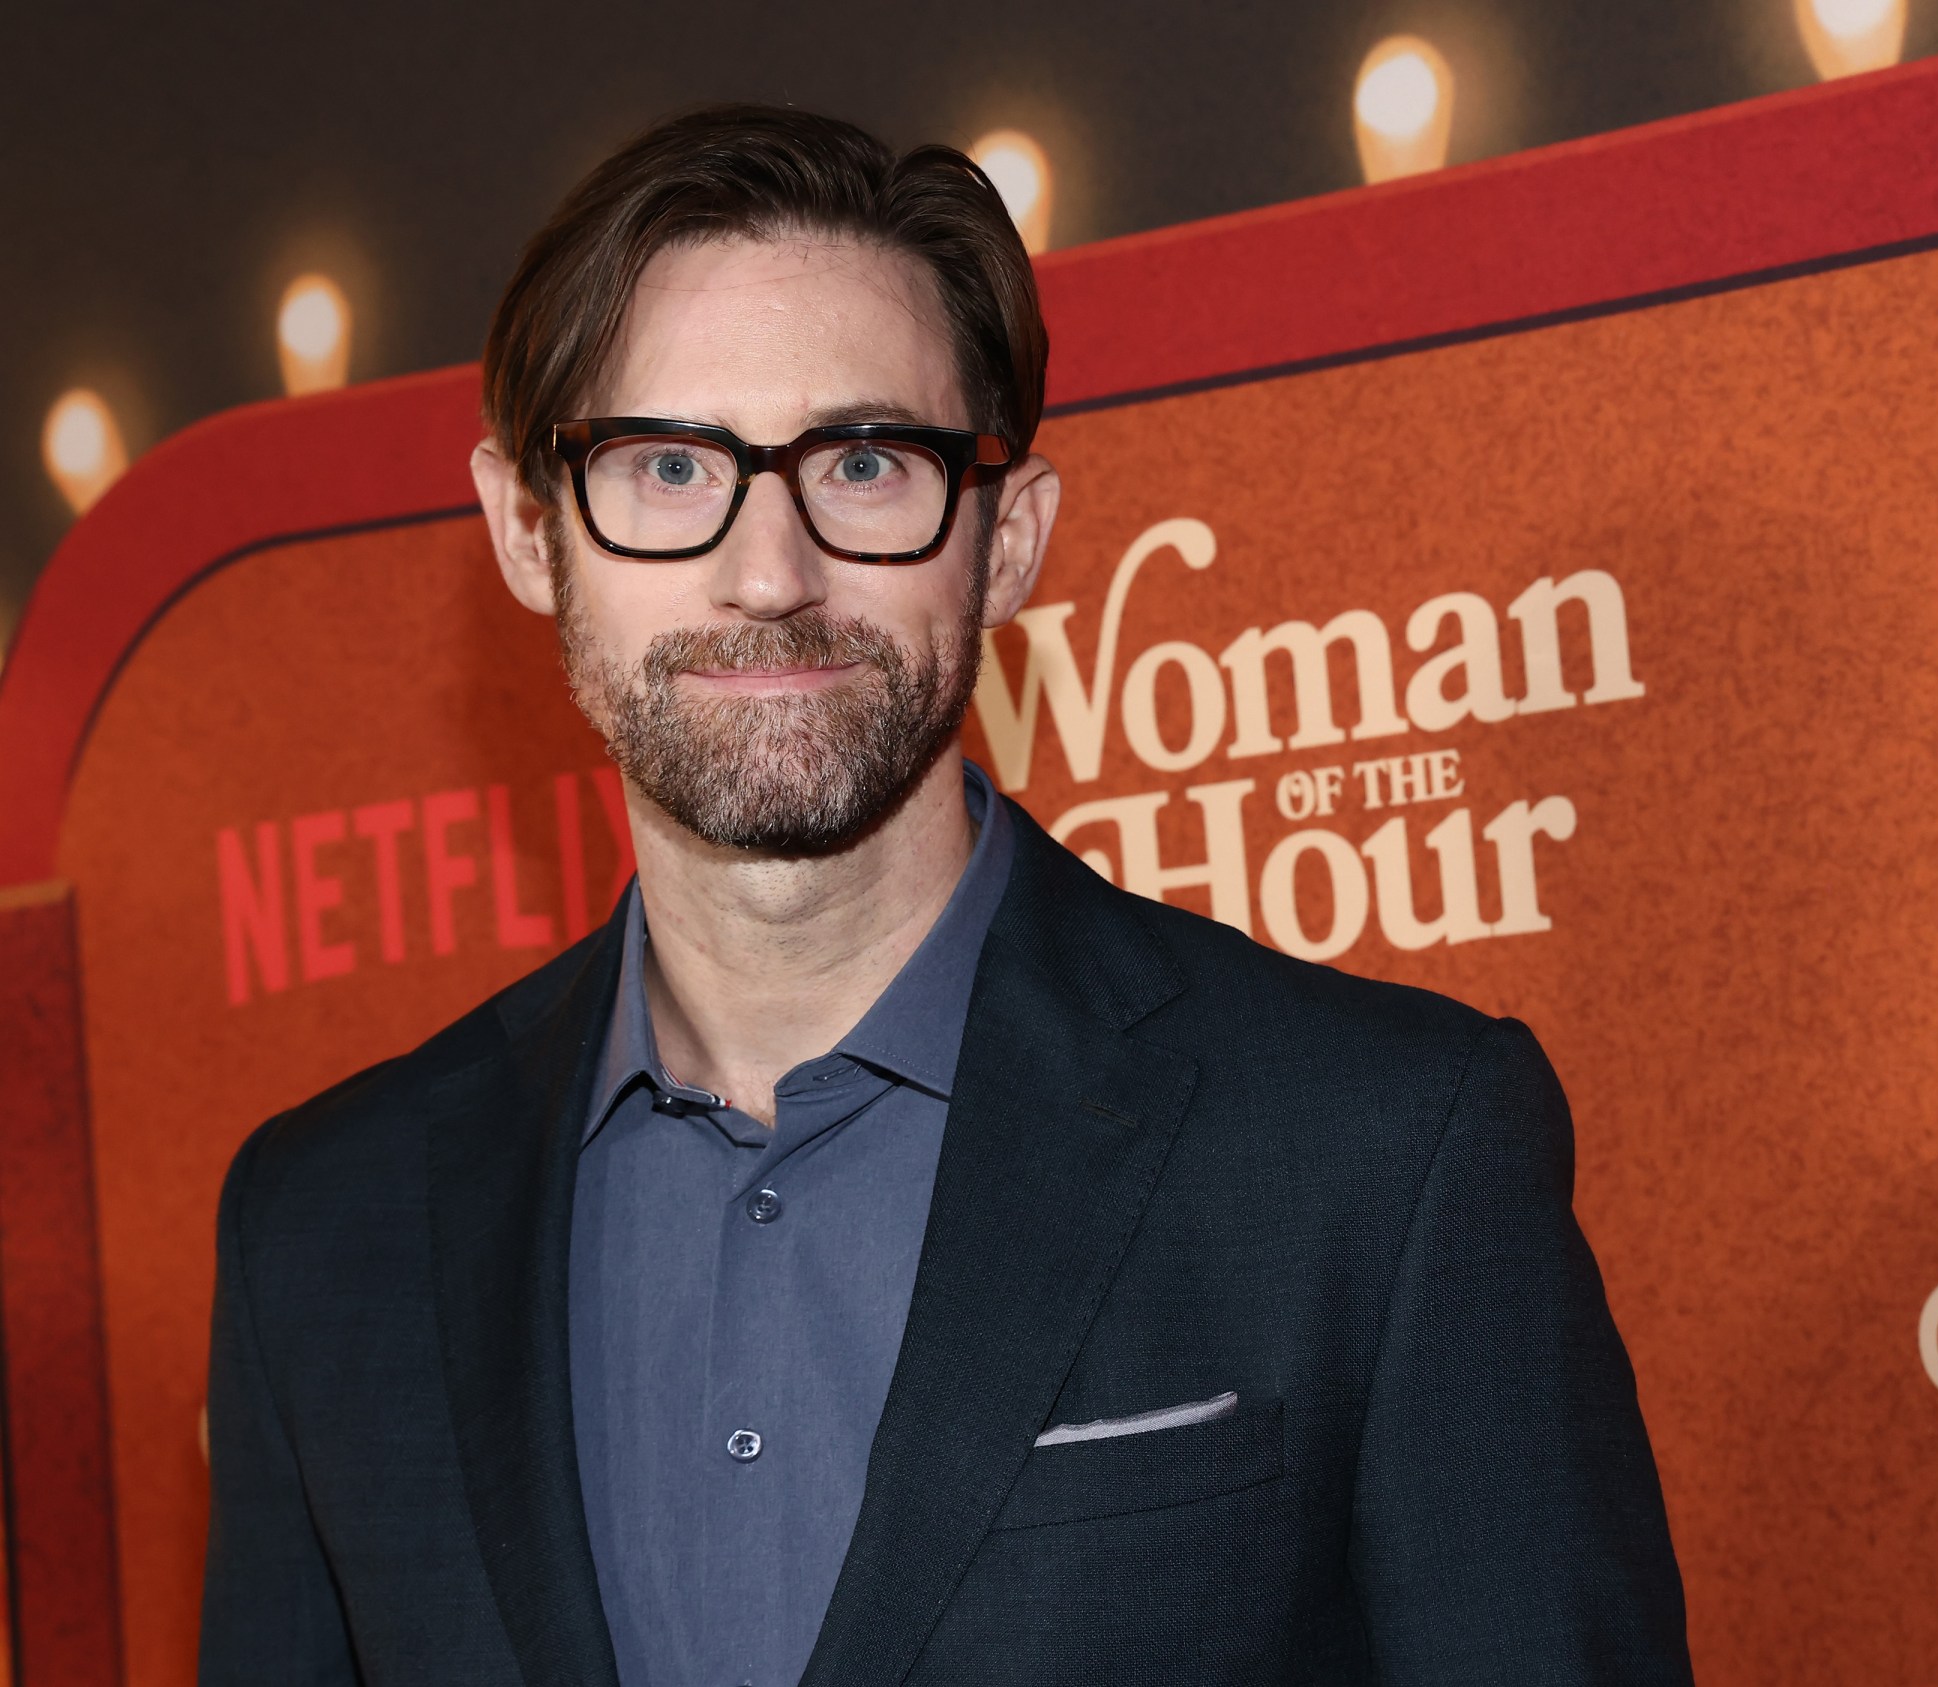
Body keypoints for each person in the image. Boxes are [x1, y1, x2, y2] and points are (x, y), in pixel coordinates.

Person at [199, 105, 1690, 1687]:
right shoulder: (326, 1230)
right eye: (664, 466)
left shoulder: (1380, 1155)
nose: (770, 571)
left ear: (1008, 538)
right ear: (525, 529)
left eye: (863, 462)